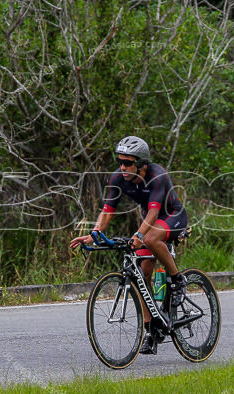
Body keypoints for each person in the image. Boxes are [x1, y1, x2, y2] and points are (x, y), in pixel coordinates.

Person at [70, 136, 188, 353]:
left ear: (141, 163)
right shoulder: (118, 179)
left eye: (128, 162)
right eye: (120, 162)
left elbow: (154, 211)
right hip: (150, 222)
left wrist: (139, 235)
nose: (122, 167)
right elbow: (107, 211)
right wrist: (93, 234)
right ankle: (151, 329)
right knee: (142, 275)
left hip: (172, 216)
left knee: (151, 239)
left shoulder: (156, 175)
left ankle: (178, 280)